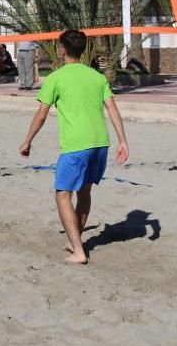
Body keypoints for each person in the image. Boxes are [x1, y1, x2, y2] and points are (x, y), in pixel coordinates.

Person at [19, 29, 130, 265]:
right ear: (83, 49)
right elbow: (112, 109)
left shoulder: (57, 78)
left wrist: (28, 140)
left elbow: (41, 115)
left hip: (76, 146)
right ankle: (74, 240)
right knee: (85, 192)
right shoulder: (97, 77)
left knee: (62, 195)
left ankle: (79, 251)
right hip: (101, 143)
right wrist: (122, 141)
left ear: (62, 49)